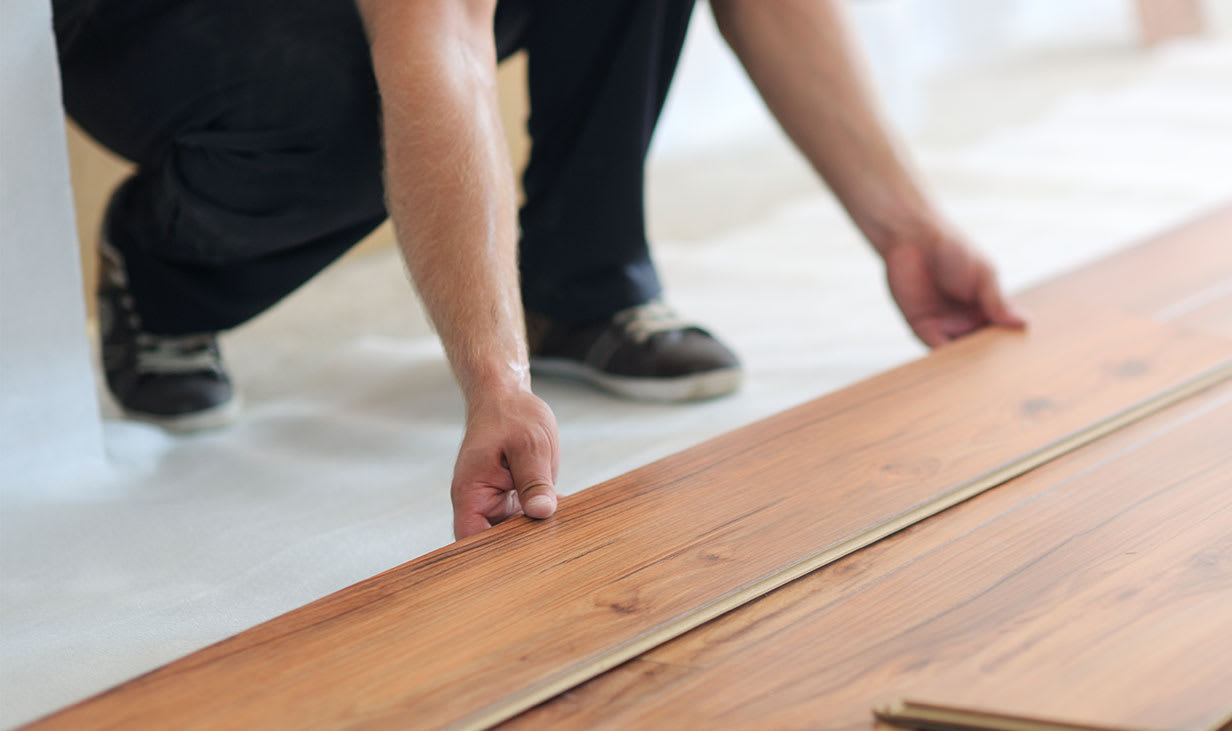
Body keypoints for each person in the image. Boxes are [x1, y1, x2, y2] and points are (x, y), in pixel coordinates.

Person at [52, 0, 1029, 539]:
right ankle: (162, 269)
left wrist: (907, 227)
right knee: (353, 100)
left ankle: (584, 281)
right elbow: (436, 36)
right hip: (149, 24)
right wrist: (493, 380)